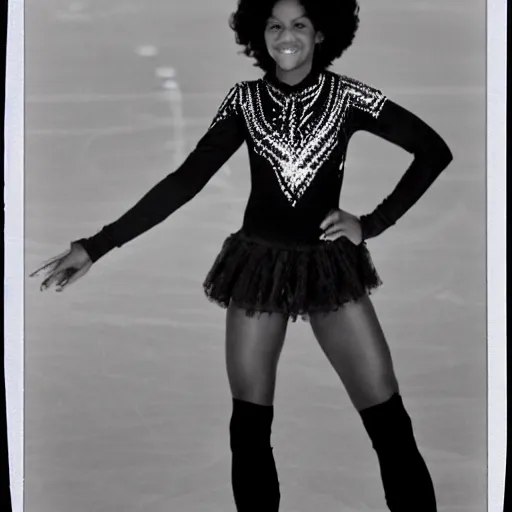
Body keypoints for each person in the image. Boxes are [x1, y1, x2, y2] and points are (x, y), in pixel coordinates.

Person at [31, 0, 453, 510]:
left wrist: (372, 224)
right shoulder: (244, 101)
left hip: (328, 269)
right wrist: (96, 246)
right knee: (249, 430)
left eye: (299, 24)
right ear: (260, 33)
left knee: (389, 424)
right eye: (275, 25)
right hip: (257, 269)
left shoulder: (348, 97)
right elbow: (185, 182)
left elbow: (433, 149)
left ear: (321, 34)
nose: (286, 36)